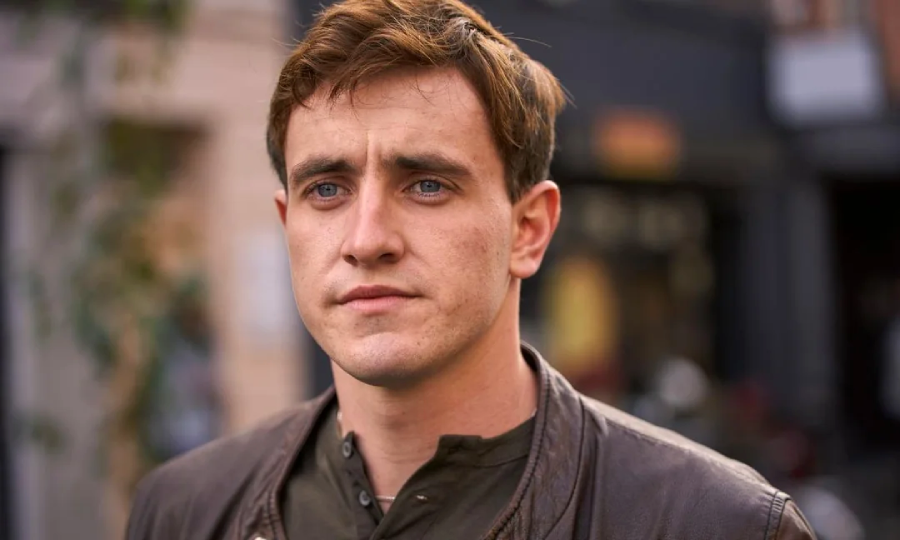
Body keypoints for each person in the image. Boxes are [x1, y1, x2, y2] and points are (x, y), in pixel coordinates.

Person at [125, 1, 815, 538]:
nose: (366, 240)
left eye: (426, 184)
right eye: (327, 189)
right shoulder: (184, 511)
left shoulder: (714, 525)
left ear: (528, 230)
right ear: (288, 226)